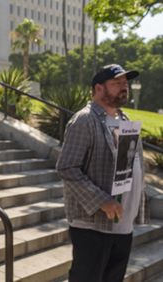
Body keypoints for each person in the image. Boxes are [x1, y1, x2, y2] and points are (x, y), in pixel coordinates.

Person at [57, 64, 148, 282]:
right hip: (93, 226)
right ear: (98, 88)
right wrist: (102, 201)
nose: (123, 87)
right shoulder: (84, 120)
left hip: (123, 225)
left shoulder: (125, 121)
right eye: (117, 83)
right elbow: (67, 168)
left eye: (125, 83)